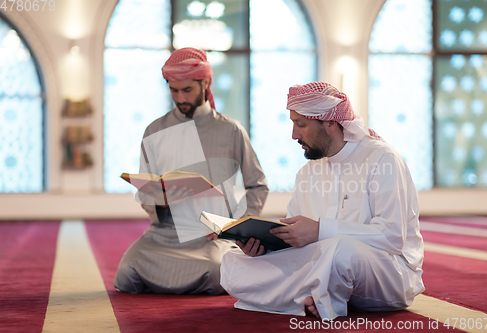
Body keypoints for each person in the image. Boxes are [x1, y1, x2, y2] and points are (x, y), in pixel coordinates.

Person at [220, 81, 424, 319]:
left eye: (301, 125)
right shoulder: (307, 173)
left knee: (341, 252)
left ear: (329, 123)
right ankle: (316, 297)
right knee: (233, 264)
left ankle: (312, 296)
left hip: (387, 272)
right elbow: (298, 241)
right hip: (323, 266)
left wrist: (319, 231)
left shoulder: (382, 159)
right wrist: (265, 249)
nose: (294, 135)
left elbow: (392, 238)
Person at [114, 47, 268, 295]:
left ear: (206, 82)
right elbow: (146, 193)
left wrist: (236, 225)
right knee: (127, 274)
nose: (180, 98)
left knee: (216, 271)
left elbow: (257, 185)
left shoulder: (231, 130)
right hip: (164, 235)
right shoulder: (154, 131)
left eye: (187, 90)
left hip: (211, 236)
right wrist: (161, 200)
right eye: (174, 90)